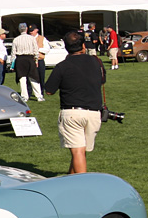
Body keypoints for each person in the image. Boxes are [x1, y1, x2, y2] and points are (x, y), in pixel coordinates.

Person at [44, 31, 105, 174]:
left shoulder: (62, 66)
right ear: (83, 46)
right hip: (94, 112)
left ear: (66, 47)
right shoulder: (97, 62)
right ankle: (70, 179)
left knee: (77, 152)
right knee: (81, 152)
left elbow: (49, 90)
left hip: (72, 112)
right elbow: (102, 81)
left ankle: (82, 184)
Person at [12, 26, 45, 102]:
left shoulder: (16, 39)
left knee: (22, 79)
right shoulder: (32, 38)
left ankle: (24, 96)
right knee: (33, 78)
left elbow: (13, 52)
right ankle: (39, 96)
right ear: (26, 29)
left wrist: (12, 64)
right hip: (30, 58)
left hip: (20, 59)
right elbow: (35, 50)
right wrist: (36, 60)